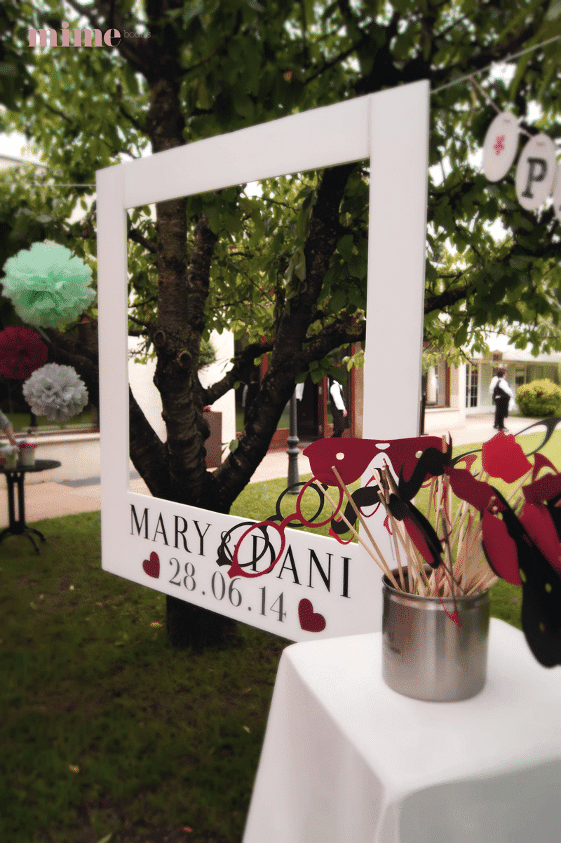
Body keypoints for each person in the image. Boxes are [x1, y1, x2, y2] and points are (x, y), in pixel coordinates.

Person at [489, 367, 513, 432]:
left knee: (499, 412)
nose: (506, 375)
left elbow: (491, 389)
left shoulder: (496, 380)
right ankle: (501, 426)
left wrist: (493, 396)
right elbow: (508, 391)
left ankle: (497, 425)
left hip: (498, 398)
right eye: (505, 374)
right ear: (503, 374)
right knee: (501, 413)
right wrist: (512, 396)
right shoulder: (502, 381)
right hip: (502, 399)